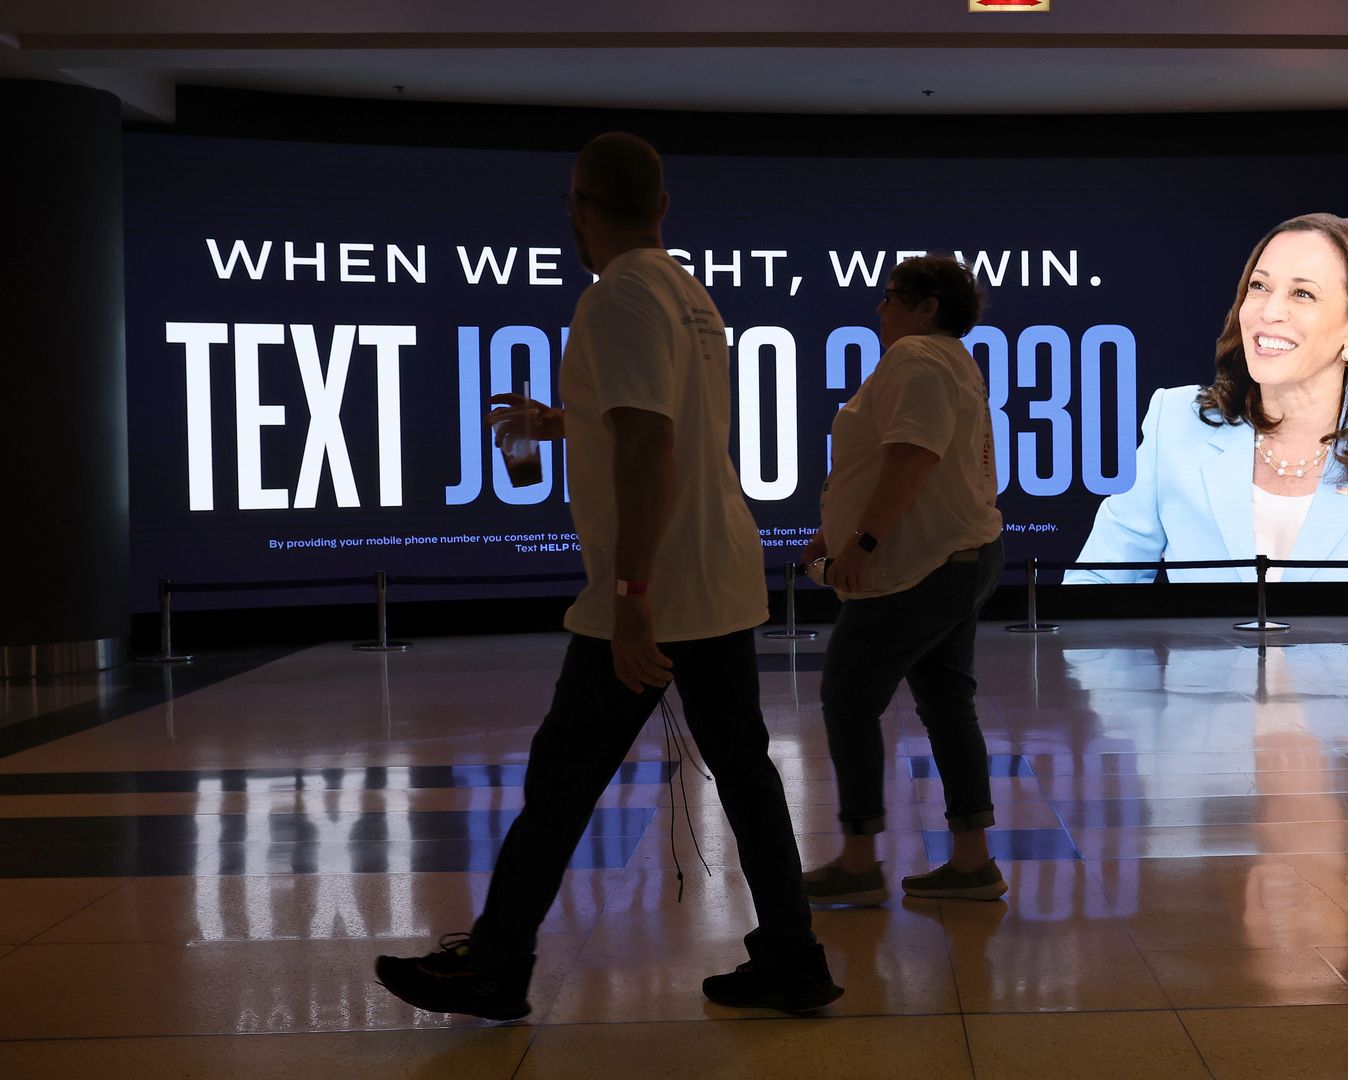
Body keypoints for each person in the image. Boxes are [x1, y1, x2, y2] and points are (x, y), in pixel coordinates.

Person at [374, 133, 841, 1020]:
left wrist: (630, 601)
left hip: (654, 587)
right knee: (744, 772)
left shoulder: (615, 295)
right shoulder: (685, 293)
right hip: (717, 572)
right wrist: (568, 420)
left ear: (578, 208)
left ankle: (496, 962)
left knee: (561, 779)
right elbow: (655, 420)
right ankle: (792, 954)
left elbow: (650, 443)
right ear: (663, 207)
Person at [1066, 213, 1348, 584]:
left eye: (1303, 295)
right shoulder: (1174, 422)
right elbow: (1094, 588)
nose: (1269, 311)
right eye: (1259, 287)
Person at [797, 255, 1007, 907]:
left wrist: (860, 542)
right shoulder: (948, 360)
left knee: (847, 694)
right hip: (959, 555)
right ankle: (971, 859)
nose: (879, 309)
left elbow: (913, 457)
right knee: (946, 703)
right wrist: (836, 529)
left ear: (927, 306)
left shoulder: (916, 357)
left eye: (890, 297)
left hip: (919, 564)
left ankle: (860, 860)